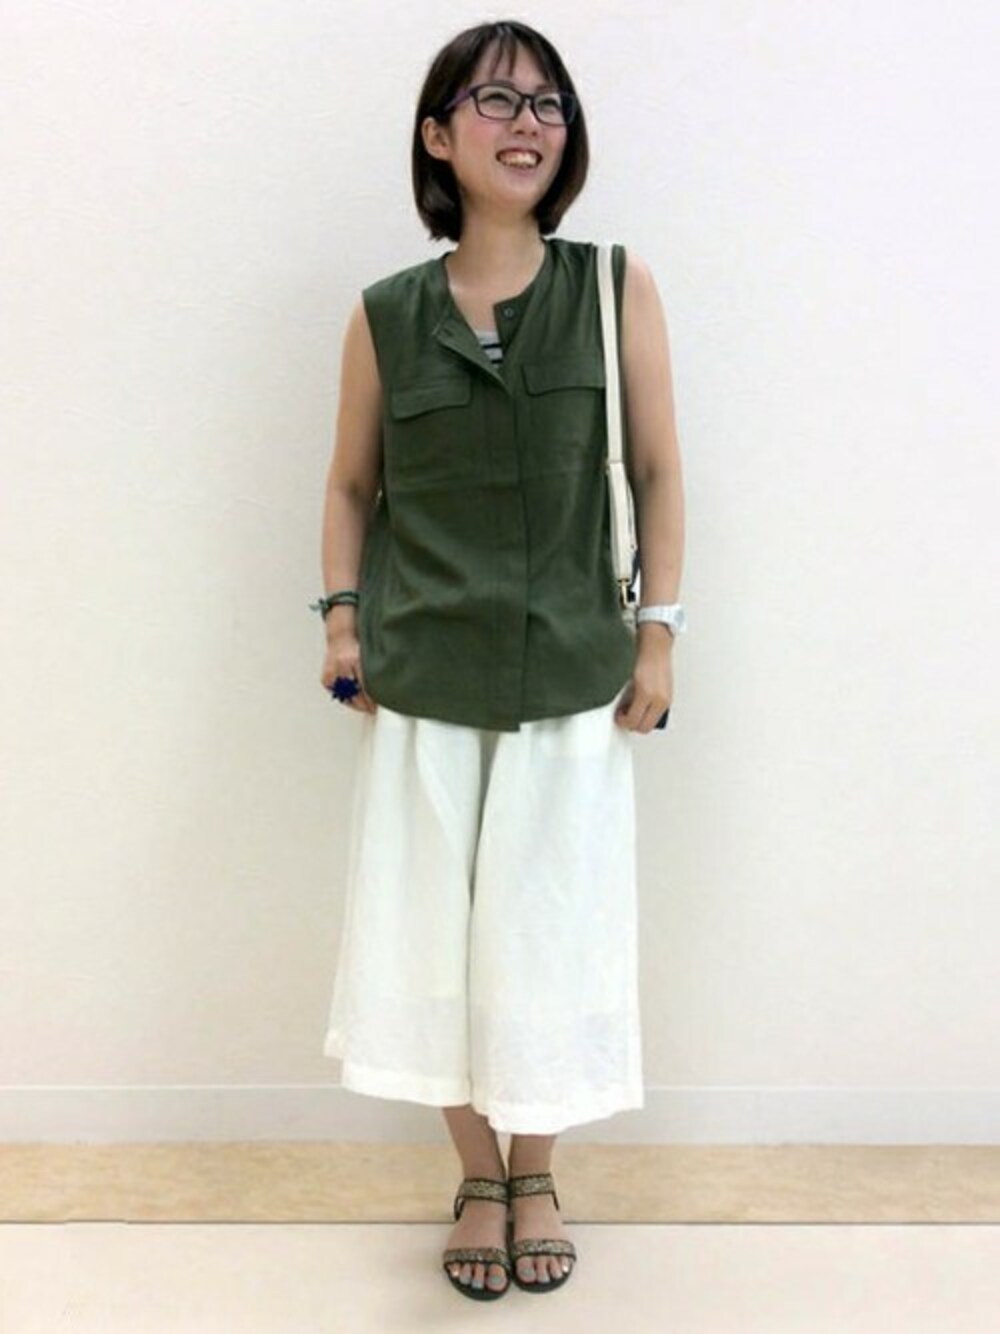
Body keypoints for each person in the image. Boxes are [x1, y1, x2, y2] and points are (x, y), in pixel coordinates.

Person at [314, 19, 685, 1302]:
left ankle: (537, 1171)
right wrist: (343, 624)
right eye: (495, 101)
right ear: (437, 135)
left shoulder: (613, 288)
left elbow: (659, 469)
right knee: (432, 938)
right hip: (423, 672)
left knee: (548, 933)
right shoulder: (385, 314)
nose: (527, 125)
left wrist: (658, 632)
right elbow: (351, 483)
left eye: (548, 105)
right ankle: (475, 1174)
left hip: (574, 670)